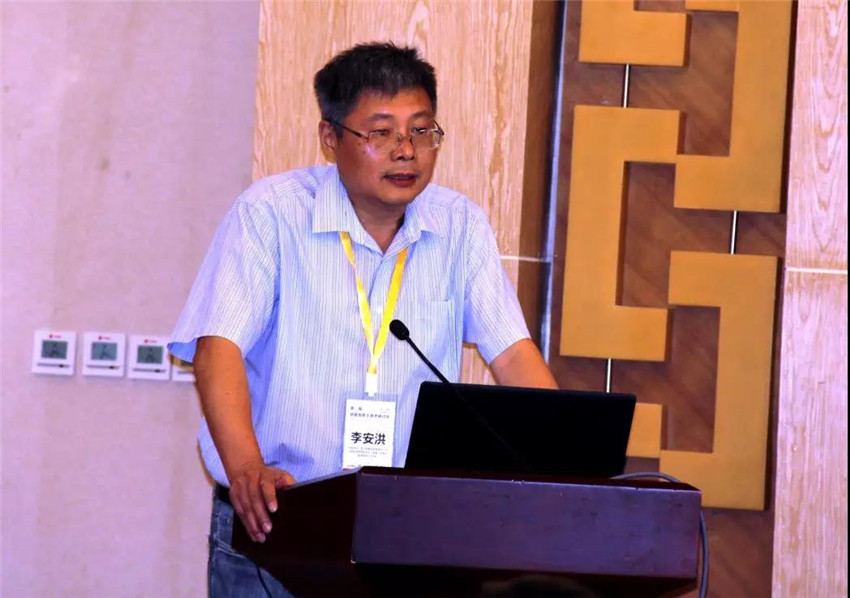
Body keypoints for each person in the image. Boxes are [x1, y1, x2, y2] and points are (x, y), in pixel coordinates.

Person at [169, 41, 557, 598]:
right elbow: (218, 349)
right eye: (381, 132)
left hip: (407, 531)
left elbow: (513, 354)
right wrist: (247, 468)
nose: (406, 151)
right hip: (279, 518)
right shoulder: (271, 214)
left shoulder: (459, 226)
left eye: (421, 130)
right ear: (331, 138)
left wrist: (564, 470)